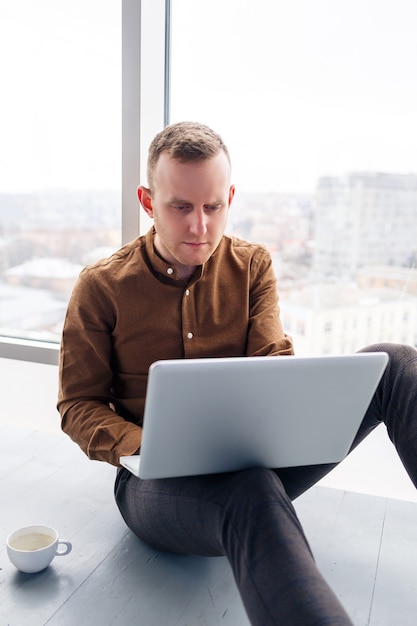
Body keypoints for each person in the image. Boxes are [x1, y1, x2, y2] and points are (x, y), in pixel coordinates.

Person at [58, 121, 417, 626]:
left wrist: (288, 417)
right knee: (250, 489)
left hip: (256, 463)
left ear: (229, 197)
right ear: (147, 201)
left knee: (396, 363)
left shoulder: (253, 266)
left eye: (213, 207)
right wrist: (147, 448)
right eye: (180, 207)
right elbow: (77, 405)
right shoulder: (101, 287)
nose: (199, 227)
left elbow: (274, 365)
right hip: (154, 486)